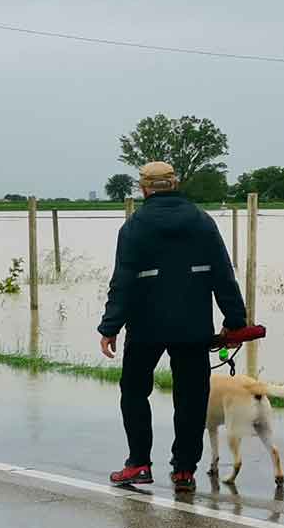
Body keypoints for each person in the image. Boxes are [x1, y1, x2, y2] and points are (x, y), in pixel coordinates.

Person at [97, 161, 247, 490]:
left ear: (143, 188)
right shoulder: (202, 222)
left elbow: (122, 282)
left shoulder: (134, 227)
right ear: (175, 183)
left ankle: (138, 464)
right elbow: (223, 275)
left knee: (135, 392)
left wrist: (110, 327)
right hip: (192, 327)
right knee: (192, 398)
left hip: (145, 328)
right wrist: (235, 322)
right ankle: (184, 471)